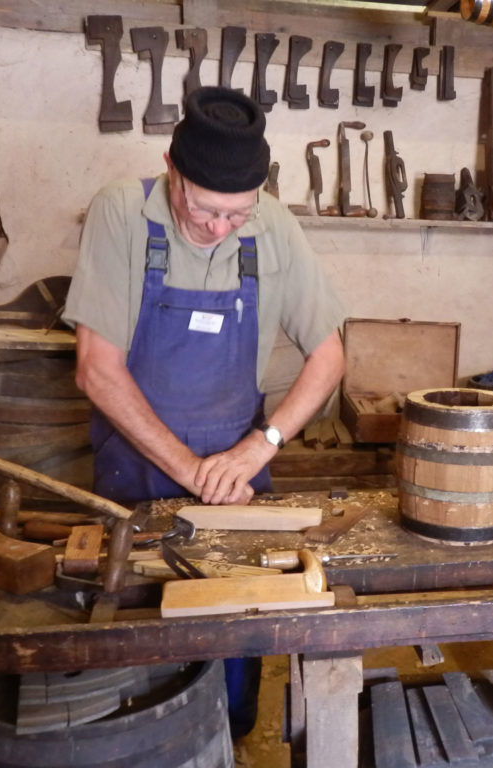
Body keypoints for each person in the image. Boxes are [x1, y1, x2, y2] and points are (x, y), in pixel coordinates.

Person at [63, 86, 346, 738]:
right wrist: (190, 469)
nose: (219, 229)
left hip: (237, 474)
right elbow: (95, 369)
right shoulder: (120, 214)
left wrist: (263, 443)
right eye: (204, 210)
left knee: (238, 623)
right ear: (171, 168)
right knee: (141, 634)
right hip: (137, 468)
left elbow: (330, 358)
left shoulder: (273, 224)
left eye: (236, 215)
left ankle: (233, 737)